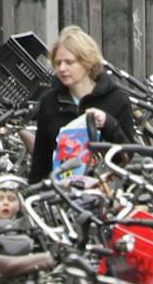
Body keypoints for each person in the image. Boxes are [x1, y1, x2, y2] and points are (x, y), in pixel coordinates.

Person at [25, 25, 136, 186]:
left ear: (88, 62)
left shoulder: (117, 99)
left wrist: (109, 124)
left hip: (104, 193)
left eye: (69, 62)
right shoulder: (50, 101)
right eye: (57, 63)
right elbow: (41, 160)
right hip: (62, 193)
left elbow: (127, 157)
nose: (62, 69)